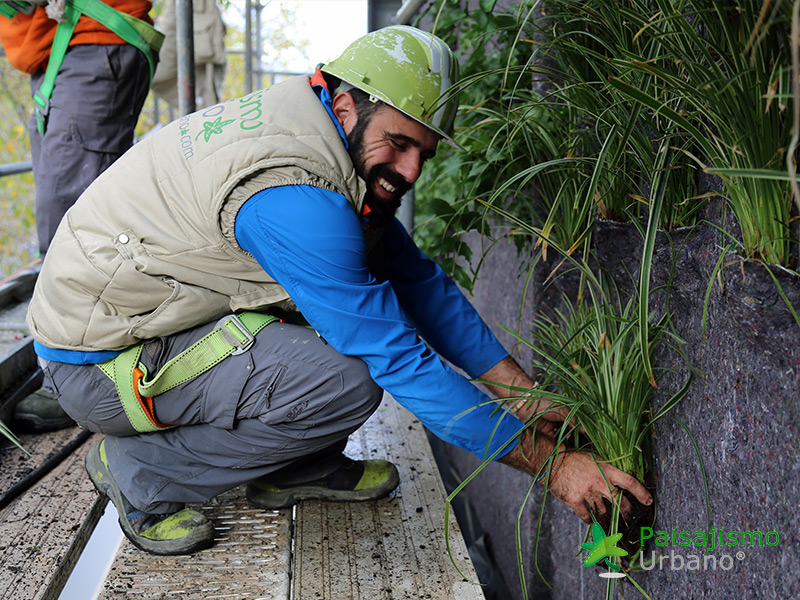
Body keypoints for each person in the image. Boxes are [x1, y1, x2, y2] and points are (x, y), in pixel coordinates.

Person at [26, 25, 652, 556]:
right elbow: (399, 356)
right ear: (347, 103)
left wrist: (525, 396)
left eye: (423, 155)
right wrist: (554, 466)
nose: (408, 172)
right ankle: (139, 471)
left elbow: (415, 282)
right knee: (343, 380)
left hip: (147, 323)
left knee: (340, 323)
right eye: (399, 144)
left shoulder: (327, 139)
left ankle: (291, 465)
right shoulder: (297, 198)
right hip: (100, 367)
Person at [0, 0, 160, 432]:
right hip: (61, 43)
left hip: (93, 33)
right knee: (61, 214)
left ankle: (82, 376)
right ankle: (73, 364)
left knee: (71, 222)